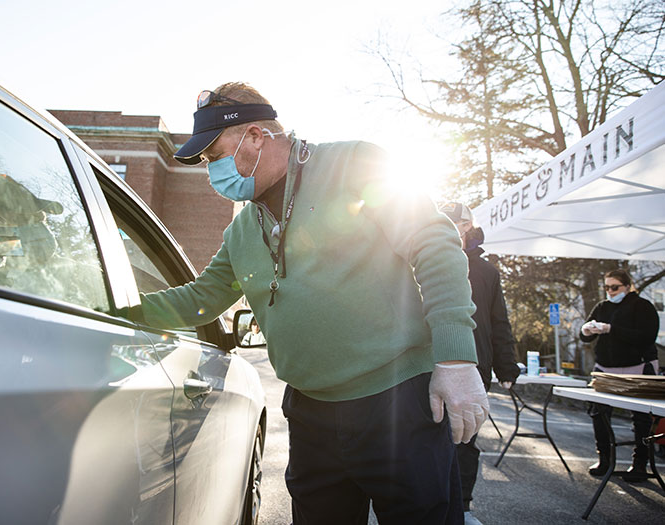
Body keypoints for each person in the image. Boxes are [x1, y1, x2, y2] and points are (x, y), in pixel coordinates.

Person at [121, 82, 489, 524]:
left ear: (256, 136)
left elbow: (435, 243)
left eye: (215, 155)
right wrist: (119, 306)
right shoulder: (241, 232)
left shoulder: (354, 164)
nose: (211, 172)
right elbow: (201, 299)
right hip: (311, 413)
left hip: (396, 404)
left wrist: (455, 361)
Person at [440, 202, 520, 525]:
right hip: (432, 367)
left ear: (469, 226)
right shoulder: (424, 262)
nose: (452, 228)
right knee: (428, 442)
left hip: (475, 368)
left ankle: (462, 507)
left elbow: (499, 322)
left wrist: (507, 366)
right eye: (446, 222)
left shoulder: (487, 272)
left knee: (465, 442)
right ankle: (429, 505)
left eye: (458, 223)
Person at [580, 269, 660, 482]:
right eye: (606, 287)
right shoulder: (601, 307)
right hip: (605, 368)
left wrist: (610, 329)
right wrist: (586, 331)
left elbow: (646, 337)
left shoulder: (643, 307)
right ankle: (604, 458)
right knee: (598, 412)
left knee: (641, 417)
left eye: (614, 287)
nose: (610, 291)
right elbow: (584, 335)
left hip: (637, 367)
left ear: (627, 286)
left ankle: (640, 463)